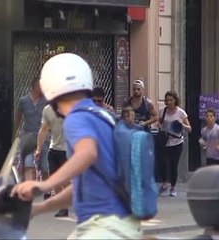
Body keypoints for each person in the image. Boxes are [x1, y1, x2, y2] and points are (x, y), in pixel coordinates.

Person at [11, 53, 142, 239]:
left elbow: (87, 153)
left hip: (103, 227)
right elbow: (83, 185)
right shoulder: (103, 117)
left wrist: (44, 185)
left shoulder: (76, 118)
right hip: (124, 225)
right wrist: (38, 209)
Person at [34, 104, 69, 217]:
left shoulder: (70, 106)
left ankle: (67, 203)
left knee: (66, 180)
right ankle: (62, 207)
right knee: (54, 179)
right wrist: (38, 149)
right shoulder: (47, 109)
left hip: (67, 149)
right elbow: (43, 129)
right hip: (53, 148)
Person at [14, 77, 50, 184]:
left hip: (43, 137)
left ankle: (46, 189)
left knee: (44, 166)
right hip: (28, 137)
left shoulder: (46, 101)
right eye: (40, 86)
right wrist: (15, 133)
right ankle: (29, 190)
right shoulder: (24, 101)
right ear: (34, 87)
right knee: (28, 164)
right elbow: (18, 117)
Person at [157, 90, 191, 197]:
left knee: (173, 165)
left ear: (175, 100)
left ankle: (173, 187)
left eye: (171, 100)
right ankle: (163, 184)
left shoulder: (181, 113)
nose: (169, 102)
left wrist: (182, 125)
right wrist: (159, 126)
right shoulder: (162, 111)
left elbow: (190, 129)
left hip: (177, 142)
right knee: (163, 164)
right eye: (167, 100)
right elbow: (160, 123)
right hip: (165, 141)